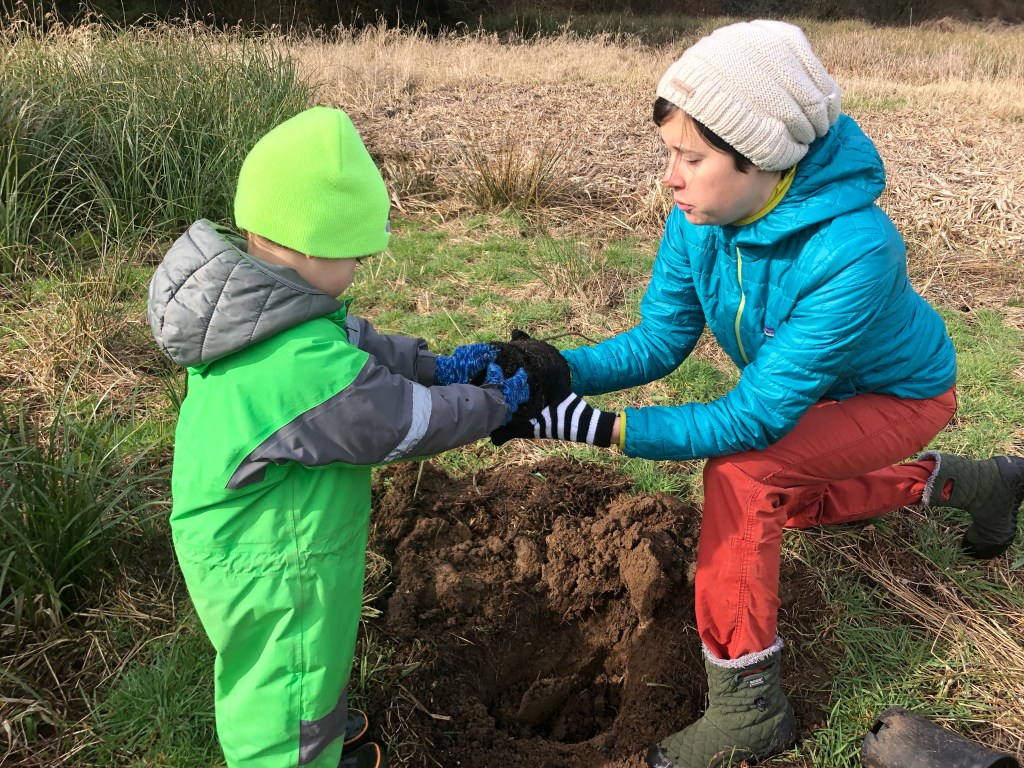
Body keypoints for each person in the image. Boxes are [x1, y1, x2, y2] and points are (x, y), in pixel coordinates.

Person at [491, 20, 1023, 768]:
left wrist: (598, 427)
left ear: (763, 155)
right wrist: (550, 370)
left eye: (692, 158)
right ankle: (981, 484)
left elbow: (756, 417)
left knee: (746, 477)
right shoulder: (701, 220)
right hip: (812, 393)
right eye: (668, 154)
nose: (670, 177)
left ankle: (749, 709)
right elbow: (659, 341)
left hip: (900, 395)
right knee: (787, 502)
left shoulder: (856, 249)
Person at [146, 107, 539, 768]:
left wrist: (437, 366)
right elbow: (403, 420)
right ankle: (298, 755)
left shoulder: (266, 311)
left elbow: (356, 346)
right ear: (309, 247)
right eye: (354, 254)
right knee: (286, 684)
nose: (359, 266)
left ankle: (319, 732)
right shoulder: (298, 368)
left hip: (278, 535)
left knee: (308, 666)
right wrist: (496, 404)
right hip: (276, 564)